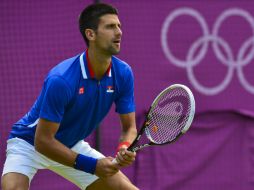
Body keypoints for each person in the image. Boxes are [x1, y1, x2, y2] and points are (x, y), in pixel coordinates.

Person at [1, 3, 139, 190]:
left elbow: (129, 127)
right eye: (110, 27)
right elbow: (43, 142)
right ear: (91, 34)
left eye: (119, 26)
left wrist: (124, 147)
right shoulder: (62, 79)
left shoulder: (123, 73)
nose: (119, 32)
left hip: (70, 144)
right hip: (30, 143)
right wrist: (92, 166)